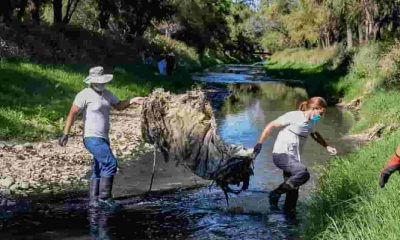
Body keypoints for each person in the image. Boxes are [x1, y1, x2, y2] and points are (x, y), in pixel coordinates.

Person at [58, 66, 144, 208]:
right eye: (98, 81)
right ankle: (105, 198)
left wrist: (133, 100)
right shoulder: (84, 95)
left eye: (102, 81)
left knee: (98, 168)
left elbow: (119, 106)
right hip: (91, 138)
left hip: (104, 138)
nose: (101, 84)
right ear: (92, 81)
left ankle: (93, 201)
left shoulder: (107, 94)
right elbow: (72, 113)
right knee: (110, 163)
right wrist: (65, 133)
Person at [253, 97, 337, 219]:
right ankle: (275, 193)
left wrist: (327, 146)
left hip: (293, 159)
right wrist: (259, 143)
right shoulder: (294, 116)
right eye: (321, 113)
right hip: (281, 154)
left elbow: (314, 133)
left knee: (293, 194)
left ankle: (288, 221)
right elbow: (271, 125)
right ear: (314, 109)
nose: (321, 116)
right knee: (303, 173)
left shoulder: (314, 120)